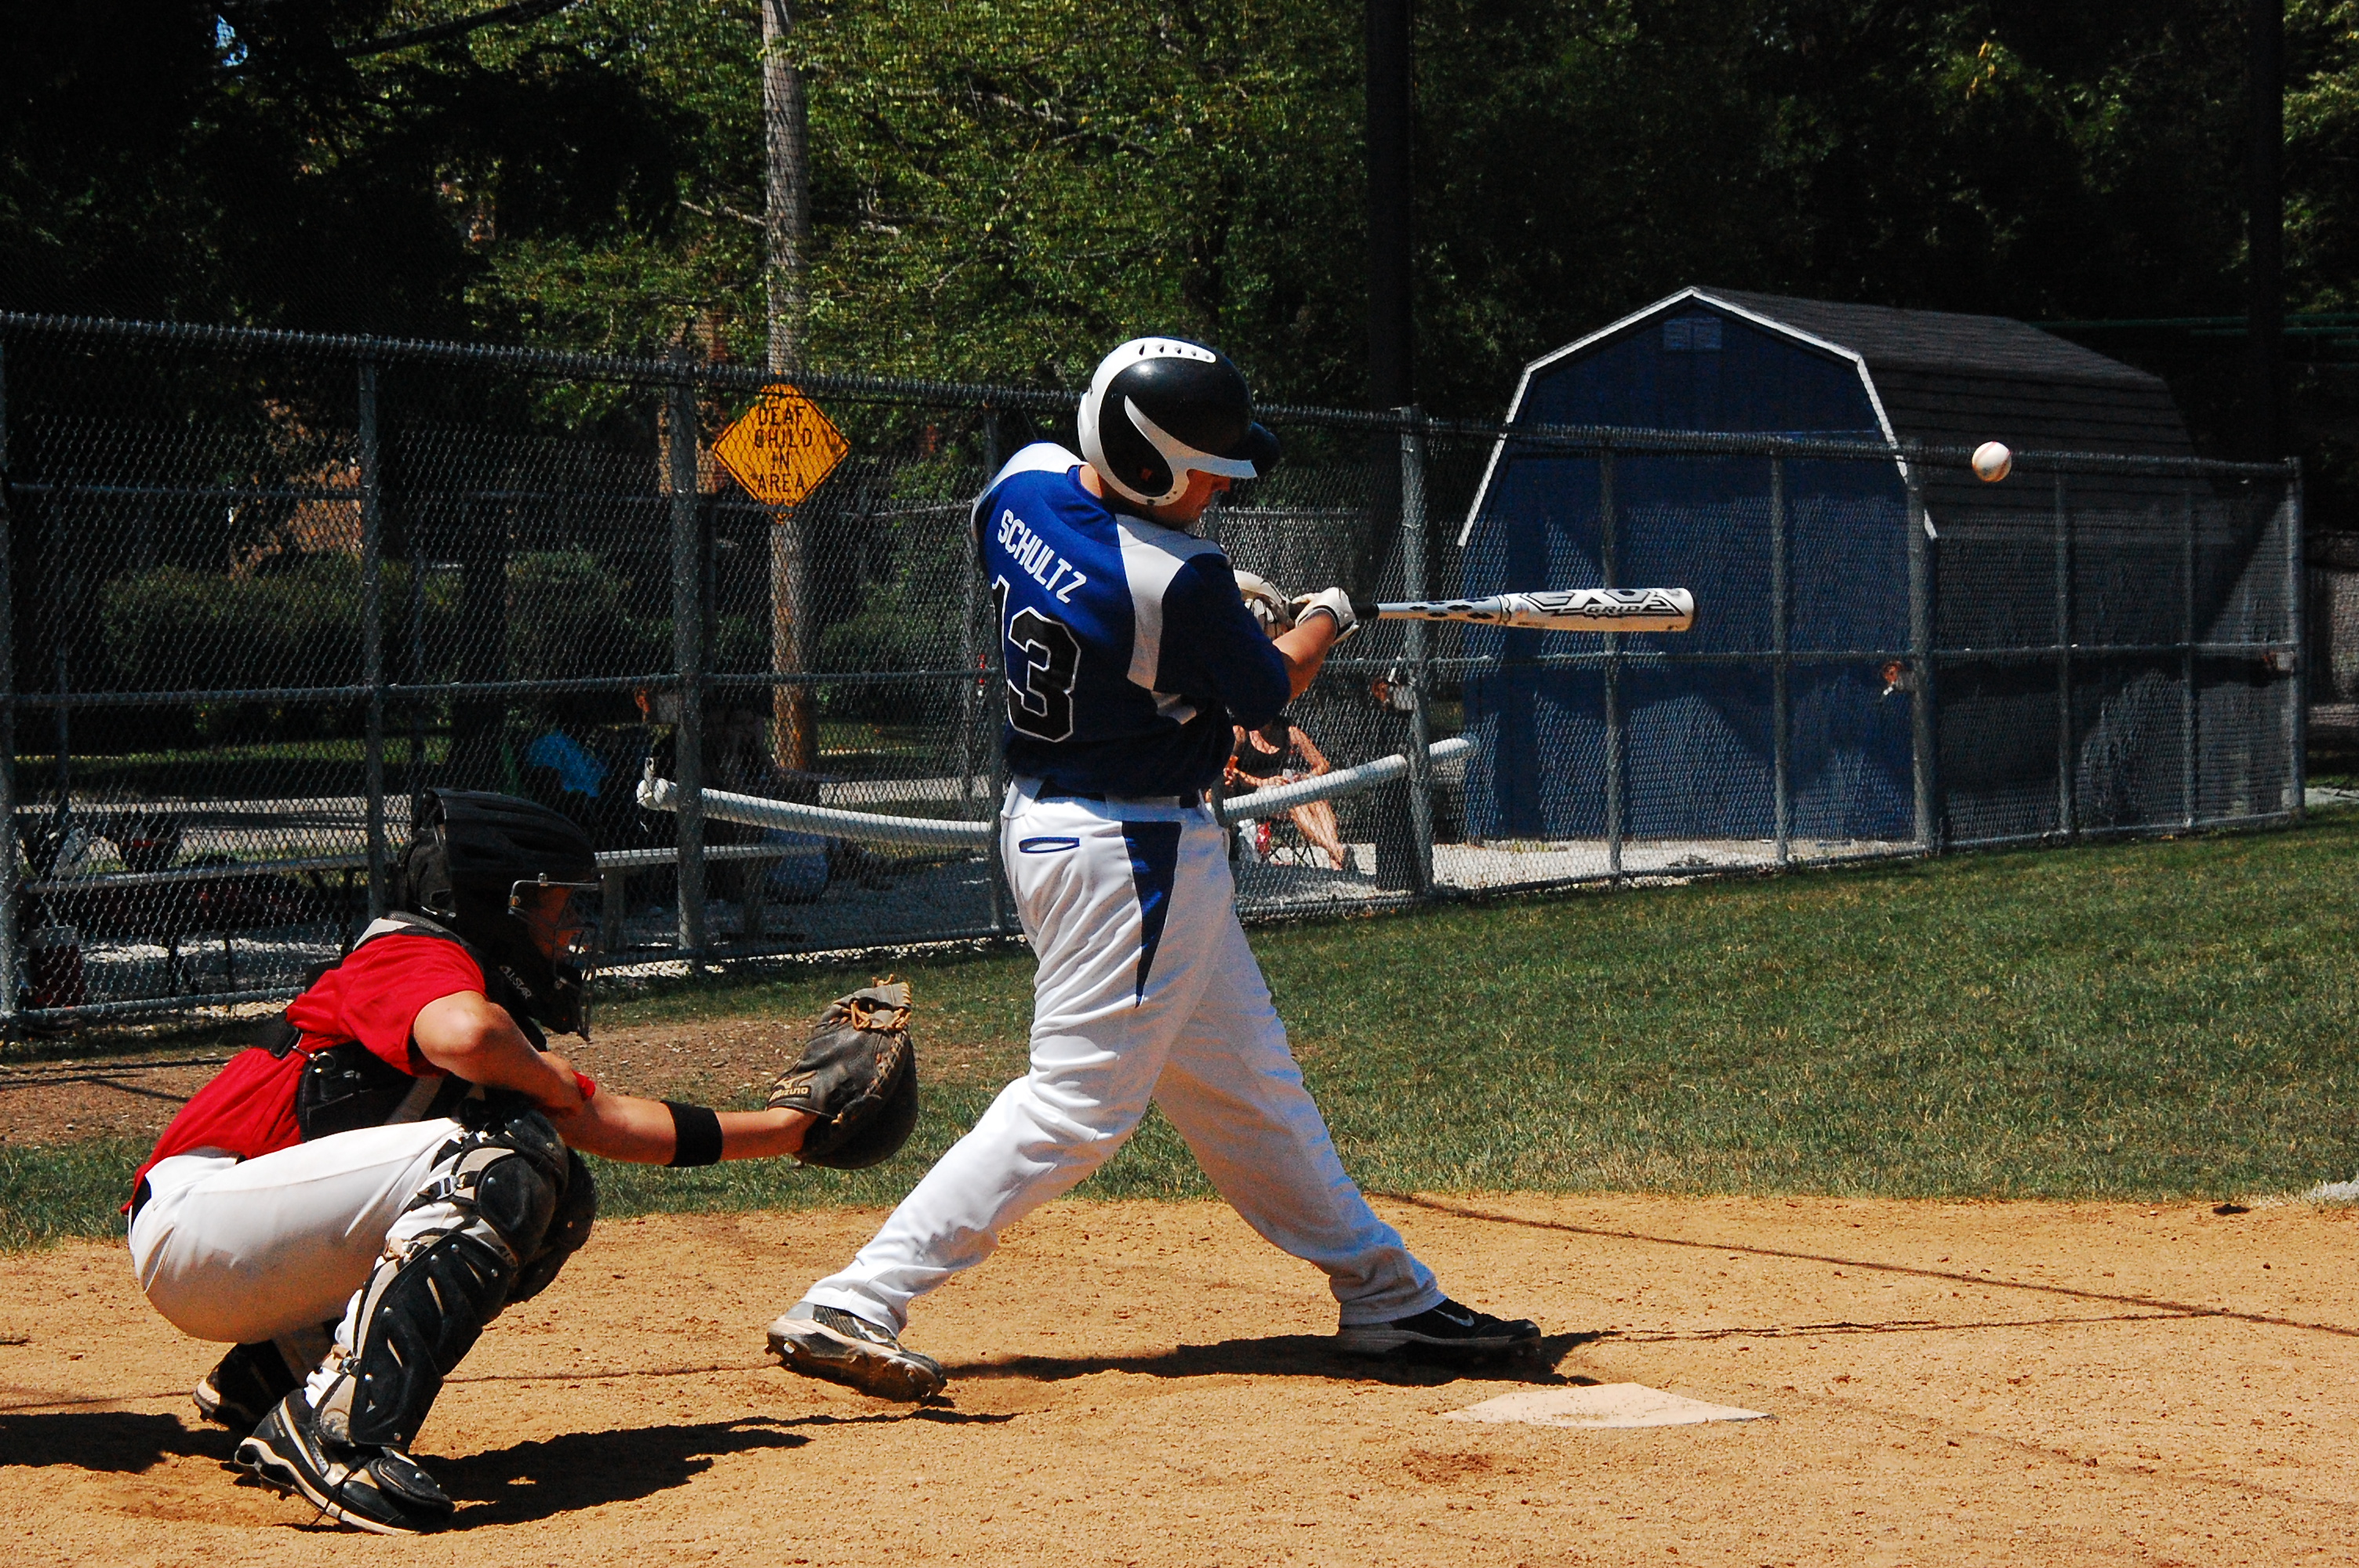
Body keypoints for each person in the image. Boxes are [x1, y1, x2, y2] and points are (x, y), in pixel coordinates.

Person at [765, 336, 1539, 1402]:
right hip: (1131, 855)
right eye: (1204, 474)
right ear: (1146, 464)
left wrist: (1223, 615)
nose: (1219, 490)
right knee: (1075, 1107)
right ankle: (856, 1296)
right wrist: (1323, 616)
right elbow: (1268, 691)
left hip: (1054, 824)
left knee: (1250, 1084)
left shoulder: (1022, 481)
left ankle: (1386, 1294)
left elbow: (1123, 584)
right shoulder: (1180, 579)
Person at [125, 789, 887, 1535]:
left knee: (559, 1194)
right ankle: (338, 1428)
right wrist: (546, 1080)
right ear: (504, 902)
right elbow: (465, 1035)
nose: (574, 928)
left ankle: (272, 1372)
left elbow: (613, 1123)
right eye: (559, 906)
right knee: (502, 1164)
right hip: (198, 1220)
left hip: (237, 1248)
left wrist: (788, 1129)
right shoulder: (410, 949)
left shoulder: (471, 992)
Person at [1227, 716, 1350, 871]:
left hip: (1288, 786)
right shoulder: (1240, 732)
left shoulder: (1288, 732)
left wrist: (1307, 777)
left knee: (1318, 800)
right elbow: (1229, 769)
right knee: (1293, 802)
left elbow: (1322, 764)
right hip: (1255, 794)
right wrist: (1262, 782)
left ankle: (1336, 855)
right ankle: (1337, 851)